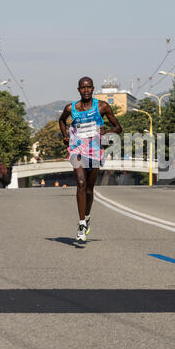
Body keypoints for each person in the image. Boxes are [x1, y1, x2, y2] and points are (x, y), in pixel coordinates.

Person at [59, 77, 122, 243]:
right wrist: (65, 135)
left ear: (93, 88)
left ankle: (86, 218)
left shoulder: (102, 106)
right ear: (78, 90)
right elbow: (61, 120)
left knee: (89, 189)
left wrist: (106, 132)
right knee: (81, 183)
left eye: (89, 87)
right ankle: (81, 225)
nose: (86, 90)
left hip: (94, 150)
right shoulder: (71, 108)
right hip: (76, 148)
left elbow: (118, 127)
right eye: (82, 88)